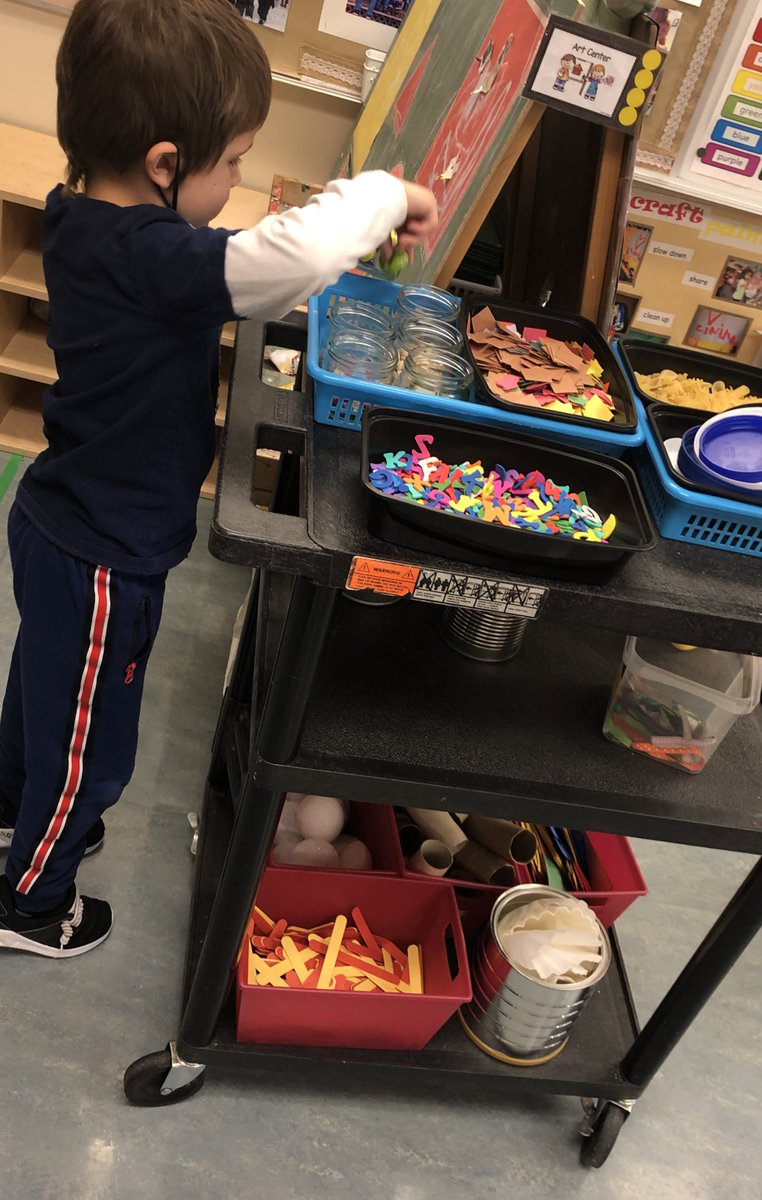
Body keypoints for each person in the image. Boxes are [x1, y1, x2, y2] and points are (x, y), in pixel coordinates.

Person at [0, 0, 437, 958]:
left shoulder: (89, 218)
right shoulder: (154, 255)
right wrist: (383, 195)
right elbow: (299, 257)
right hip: (106, 549)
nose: (238, 178)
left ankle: (13, 816)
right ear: (164, 164)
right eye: (233, 160)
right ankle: (32, 903)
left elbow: (252, 262)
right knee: (92, 746)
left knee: (47, 692)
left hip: (60, 514)